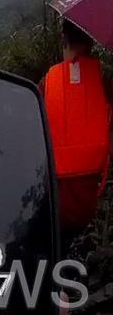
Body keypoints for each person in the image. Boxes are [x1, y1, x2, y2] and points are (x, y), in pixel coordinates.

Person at [40, 19, 112, 244]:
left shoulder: (47, 83)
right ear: (91, 42)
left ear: (64, 40)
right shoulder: (104, 84)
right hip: (91, 200)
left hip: (54, 202)